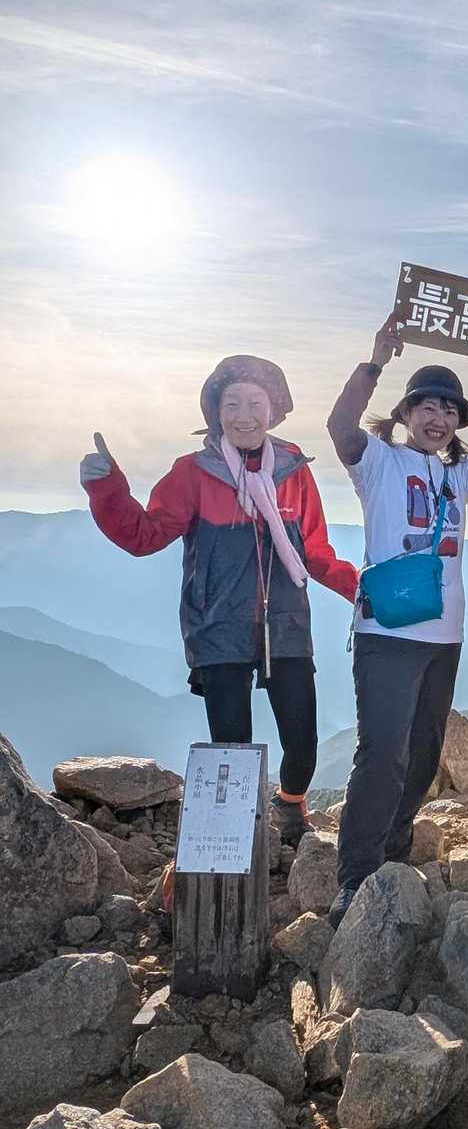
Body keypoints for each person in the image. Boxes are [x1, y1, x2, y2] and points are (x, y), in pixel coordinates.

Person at [79, 355, 358, 845]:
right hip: (217, 627)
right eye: (232, 404)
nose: (244, 415)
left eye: (255, 403)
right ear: (216, 412)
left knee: (303, 742)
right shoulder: (193, 473)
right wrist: (107, 489)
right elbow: (144, 535)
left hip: (286, 623)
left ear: (273, 410)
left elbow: (314, 552)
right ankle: (233, 838)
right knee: (232, 748)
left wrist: (363, 590)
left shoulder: (293, 470)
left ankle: (290, 803)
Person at [326, 316, 468, 927]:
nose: (439, 418)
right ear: (406, 414)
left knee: (423, 751)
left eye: (450, 410)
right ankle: (354, 877)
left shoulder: (457, 475)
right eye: (428, 407)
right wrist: (375, 361)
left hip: (444, 635)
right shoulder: (378, 462)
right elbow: (339, 427)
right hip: (386, 634)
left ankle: (393, 851)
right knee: (382, 753)